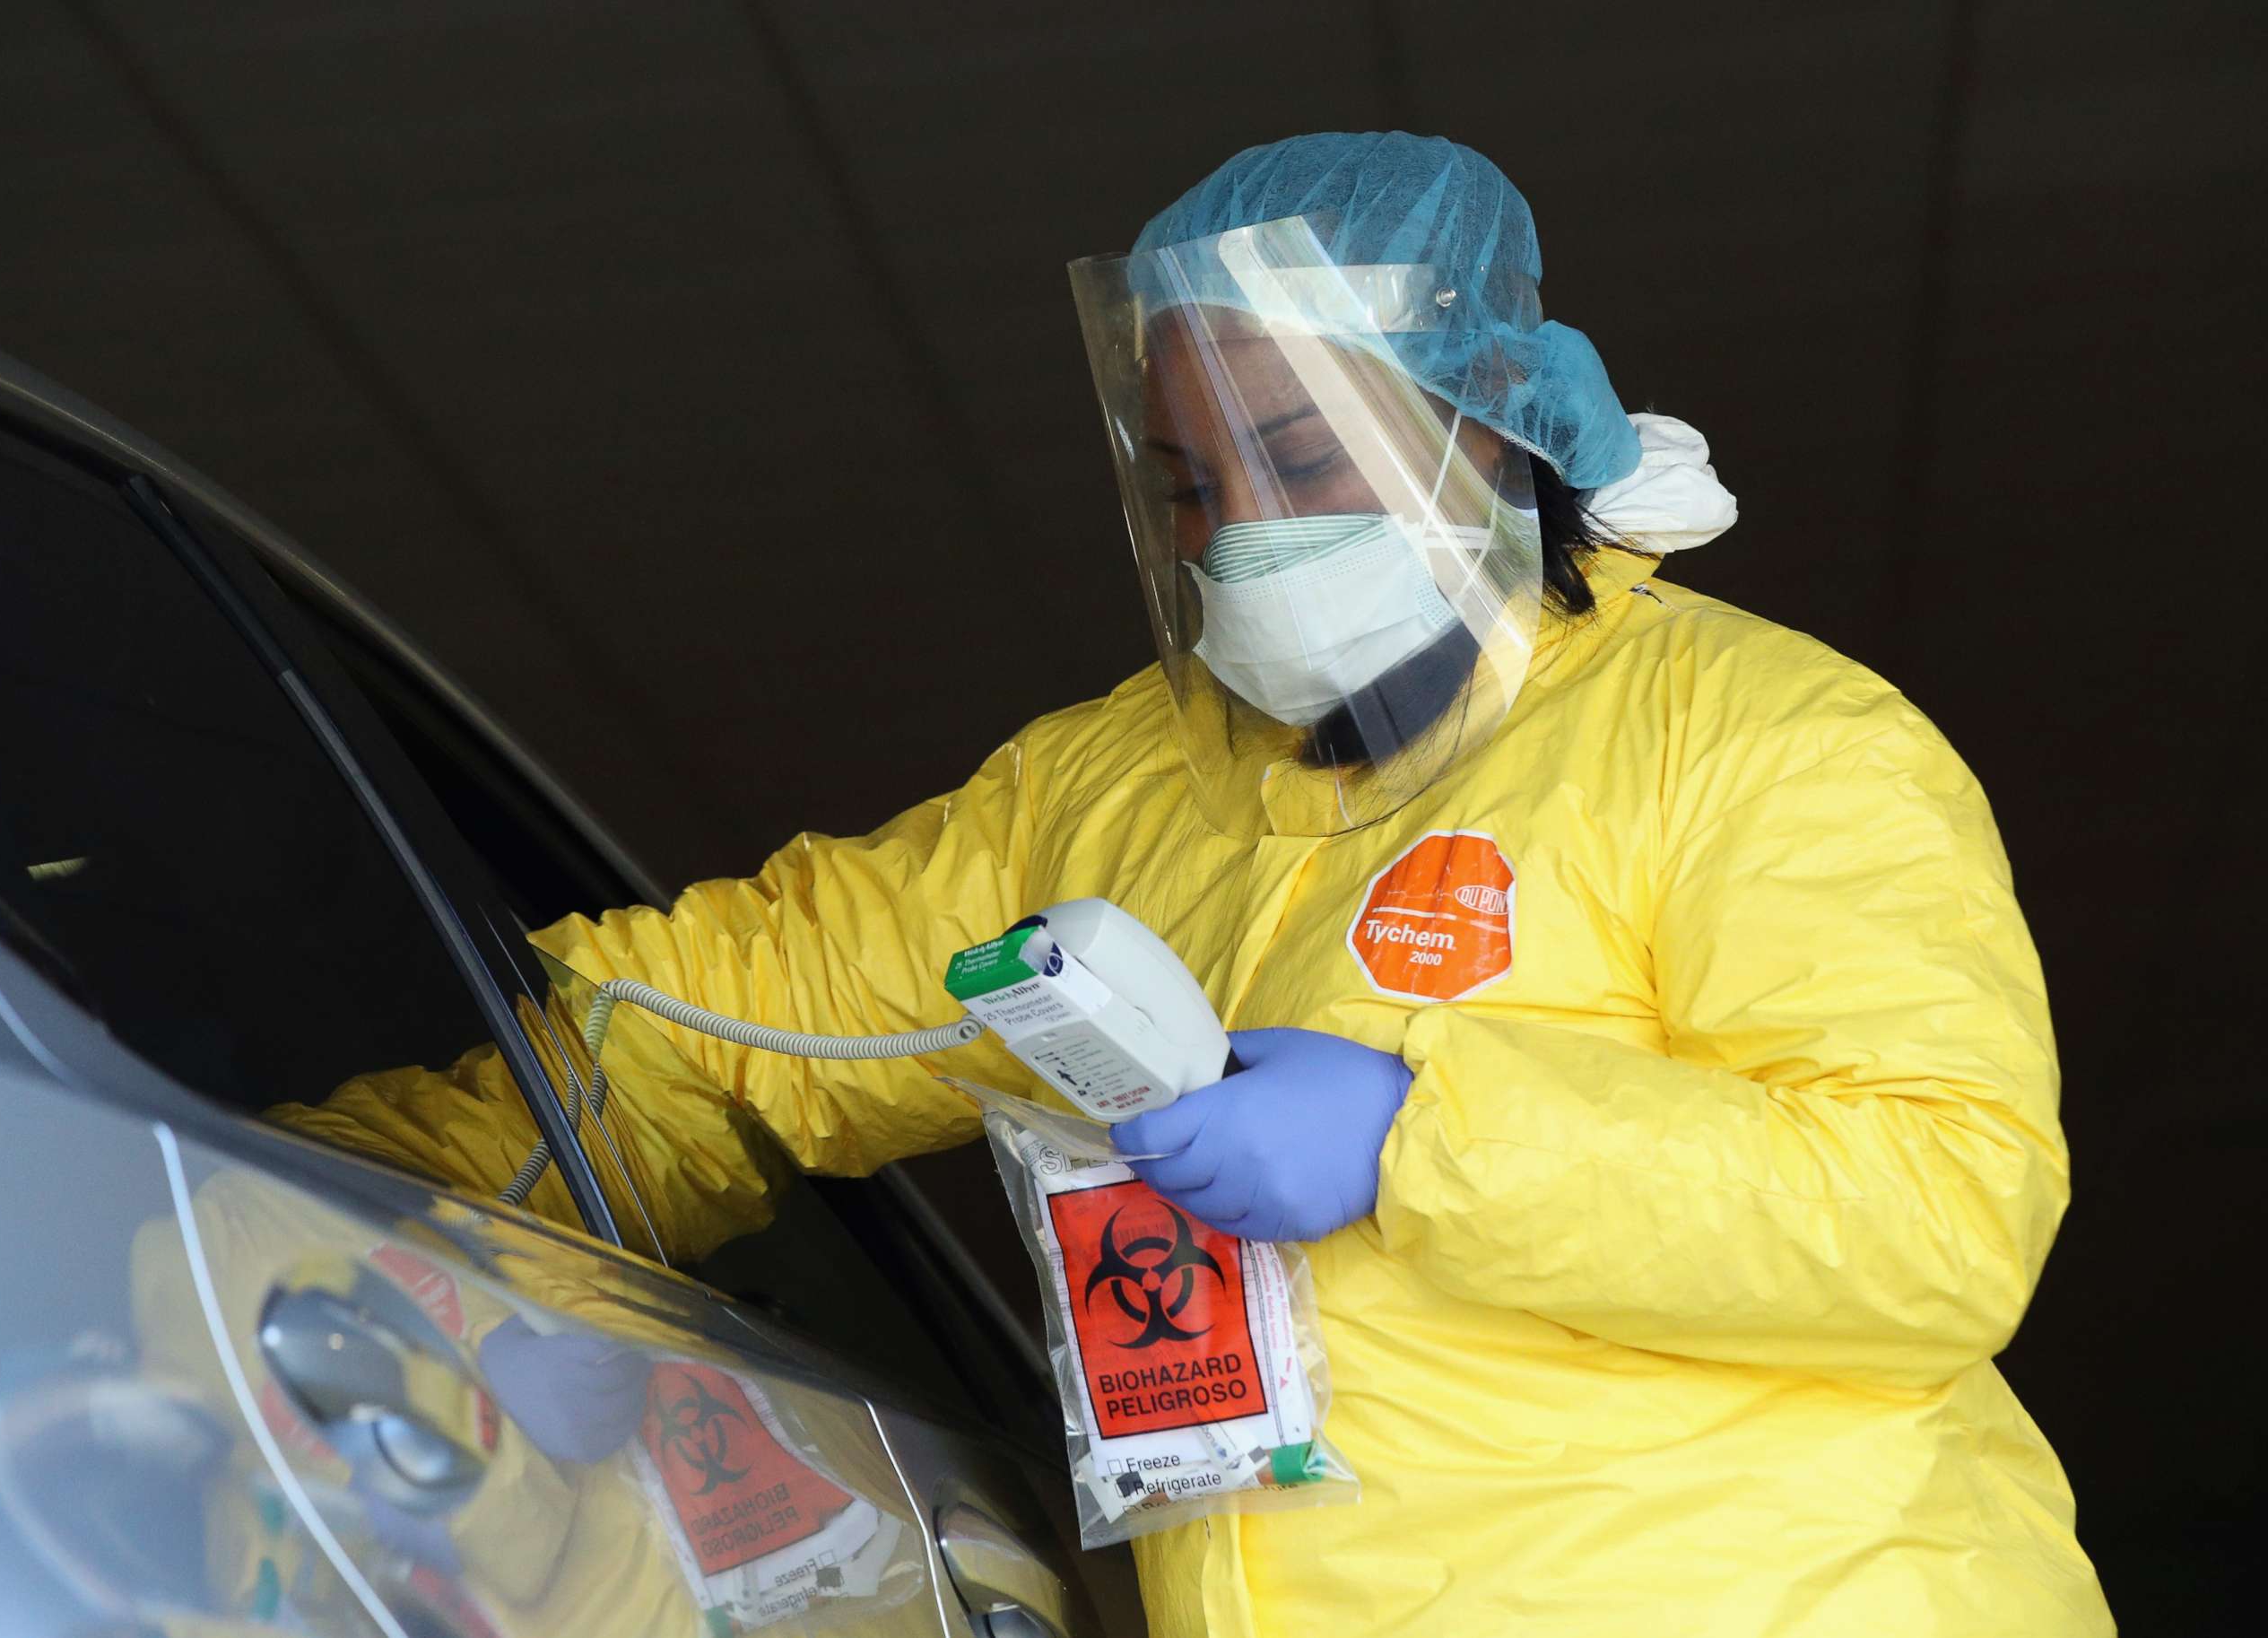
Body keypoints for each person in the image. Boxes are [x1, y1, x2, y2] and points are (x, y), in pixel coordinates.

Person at [276, 132, 2113, 1634]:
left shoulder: (1755, 737)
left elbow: (1943, 1210)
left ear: (1486, 416)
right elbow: (725, 1033)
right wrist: (300, 1195)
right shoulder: (1112, 797)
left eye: (1302, 455)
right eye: (1185, 482)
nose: (1240, 528)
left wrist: (1424, 1137)